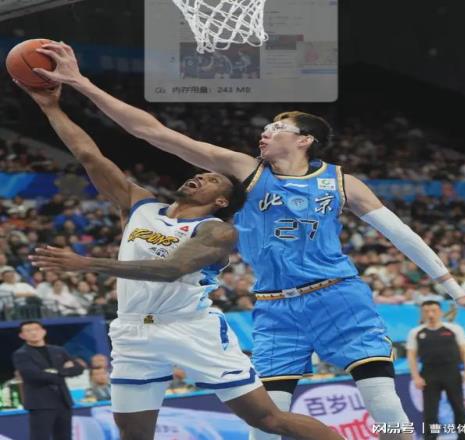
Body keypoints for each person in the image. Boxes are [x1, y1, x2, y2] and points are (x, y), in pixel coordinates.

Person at [33, 42, 465, 440]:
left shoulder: (342, 183)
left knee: (383, 402)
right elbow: (151, 131)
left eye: (276, 128)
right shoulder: (245, 171)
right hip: (274, 305)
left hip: (337, 294)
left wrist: (455, 290)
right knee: (265, 425)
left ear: (304, 140)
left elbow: (401, 234)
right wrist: (81, 84)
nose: (265, 131)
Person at [22, 83, 342, 440]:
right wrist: (50, 106)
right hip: (132, 330)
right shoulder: (141, 206)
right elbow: (89, 156)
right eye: (199, 174)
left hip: (190, 329)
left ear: (221, 202)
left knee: (268, 419)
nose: (199, 176)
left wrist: (87, 264)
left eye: (211, 179)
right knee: (134, 435)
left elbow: (170, 270)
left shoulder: (217, 230)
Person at [406, 301, 465, 440]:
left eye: (434, 310)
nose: (431, 314)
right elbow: (411, 356)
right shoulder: (416, 332)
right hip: (429, 374)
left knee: (459, 407)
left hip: (451, 372)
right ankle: (430, 437)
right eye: (426, 311)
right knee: (430, 411)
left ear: (441, 312)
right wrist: (416, 376)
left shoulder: (454, 329)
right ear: (422, 314)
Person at [11, 320, 84, 440]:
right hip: (40, 403)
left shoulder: (59, 350)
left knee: (65, 437)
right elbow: (33, 375)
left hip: (63, 401)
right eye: (28, 330)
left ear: (43, 331)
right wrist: (63, 371)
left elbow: (78, 368)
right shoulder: (21, 354)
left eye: (36, 329)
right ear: (22, 335)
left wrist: (55, 372)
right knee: (40, 437)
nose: (33, 333)